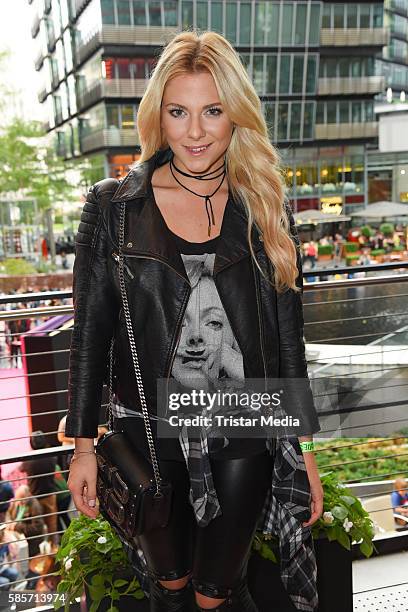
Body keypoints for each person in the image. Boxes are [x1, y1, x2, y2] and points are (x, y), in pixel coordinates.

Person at [65, 30, 323, 612]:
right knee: (171, 590)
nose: (196, 131)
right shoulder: (114, 209)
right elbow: (89, 336)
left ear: (236, 115)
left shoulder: (264, 203)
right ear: (159, 113)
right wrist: (83, 447)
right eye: (178, 112)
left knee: (218, 594)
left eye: (213, 111)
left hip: (242, 421)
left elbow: (288, 341)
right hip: (147, 430)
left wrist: (303, 452)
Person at [19, 431, 58, 545]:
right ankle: (54, 551)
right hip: (50, 496)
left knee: (38, 529)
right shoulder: (51, 456)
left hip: (35, 498)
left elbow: (21, 469)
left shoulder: (28, 460)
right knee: (52, 529)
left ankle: (41, 553)